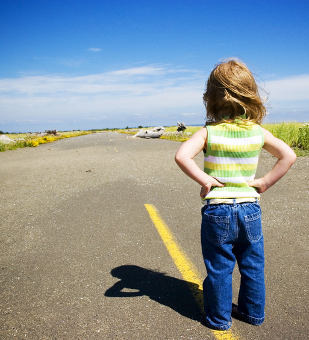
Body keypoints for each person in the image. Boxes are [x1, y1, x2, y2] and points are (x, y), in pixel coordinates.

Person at [175, 59, 296, 330]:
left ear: (211, 97)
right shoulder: (257, 132)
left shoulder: (209, 132)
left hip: (218, 208)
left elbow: (182, 156)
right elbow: (288, 155)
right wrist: (264, 182)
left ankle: (219, 319)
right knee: (252, 264)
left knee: (220, 267)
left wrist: (206, 180)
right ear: (250, 94)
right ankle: (253, 313)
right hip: (249, 208)